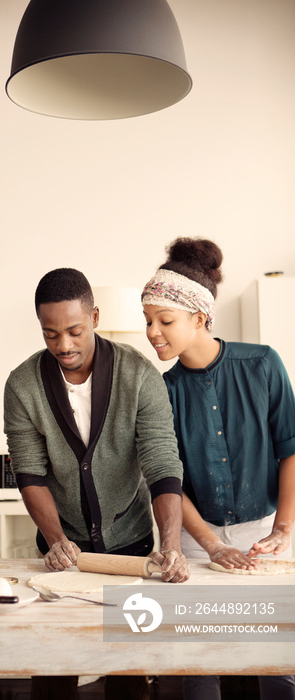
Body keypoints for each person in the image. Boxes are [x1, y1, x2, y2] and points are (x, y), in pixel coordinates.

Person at [4, 267, 189, 700]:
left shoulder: (140, 375)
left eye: (73, 331)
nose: (63, 345)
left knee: (127, 675)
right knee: (53, 673)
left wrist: (172, 544)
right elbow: (29, 471)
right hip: (61, 552)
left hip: (132, 547)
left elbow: (162, 463)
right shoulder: (22, 385)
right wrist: (55, 541)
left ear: (95, 317)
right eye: (50, 334)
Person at [142, 237, 295, 700]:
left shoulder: (263, 364)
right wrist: (207, 544)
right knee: (199, 661)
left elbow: (291, 449)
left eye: (164, 320)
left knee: (275, 660)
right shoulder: (160, 390)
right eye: (147, 320)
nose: (152, 332)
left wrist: (284, 527)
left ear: (200, 317)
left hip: (263, 534)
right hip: (193, 535)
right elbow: (165, 478)